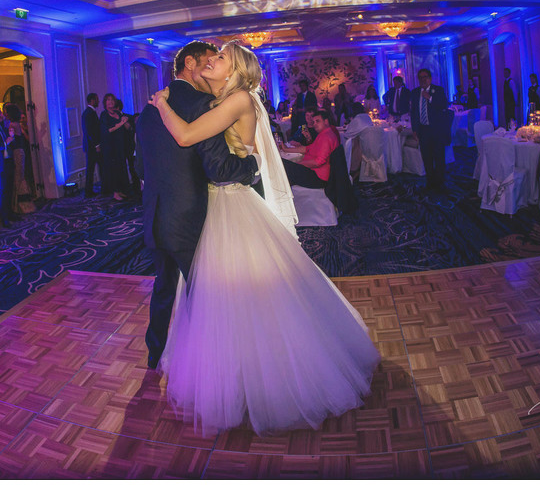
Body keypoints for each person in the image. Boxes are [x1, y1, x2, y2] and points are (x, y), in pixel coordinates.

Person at [151, 40, 379, 435]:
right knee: (230, 298)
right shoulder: (232, 99)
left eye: (220, 58)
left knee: (242, 296)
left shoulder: (238, 99)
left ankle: (261, 381)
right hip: (223, 204)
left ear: (235, 70)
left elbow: (187, 137)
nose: (212, 60)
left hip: (233, 205)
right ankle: (238, 376)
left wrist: (161, 103)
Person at [137, 40, 261, 372]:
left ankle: (155, 354)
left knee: (163, 288)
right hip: (191, 219)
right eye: (209, 60)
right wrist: (251, 167)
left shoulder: (149, 108)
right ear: (190, 64)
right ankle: (211, 368)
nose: (210, 67)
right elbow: (218, 168)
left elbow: (140, 169)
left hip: (154, 217)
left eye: (219, 61)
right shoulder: (203, 104)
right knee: (205, 295)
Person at [410, 68, 451, 190]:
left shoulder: (438, 90)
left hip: (437, 130)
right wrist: (415, 130)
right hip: (423, 130)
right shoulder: (415, 92)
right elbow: (414, 113)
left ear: (430, 78)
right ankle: (430, 182)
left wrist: (430, 98)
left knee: (439, 157)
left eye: (425, 77)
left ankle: (440, 183)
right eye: (420, 77)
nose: (423, 80)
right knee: (426, 157)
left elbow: (444, 105)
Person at [279, 108, 340, 189]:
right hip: (316, 173)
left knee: (281, 164)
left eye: (317, 121)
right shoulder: (323, 134)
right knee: (283, 167)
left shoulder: (326, 136)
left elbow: (318, 162)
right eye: (314, 122)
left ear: (326, 121)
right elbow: (307, 148)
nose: (314, 124)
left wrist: (299, 163)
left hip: (318, 177)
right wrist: (286, 149)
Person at [3, 103, 34, 214]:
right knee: (21, 176)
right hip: (21, 151)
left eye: (6, 112)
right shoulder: (17, 124)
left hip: (16, 152)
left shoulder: (12, 125)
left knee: (18, 177)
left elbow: (11, 140)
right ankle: (24, 204)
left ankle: (18, 206)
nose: (5, 114)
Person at [99, 93, 130, 201]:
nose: (110, 102)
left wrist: (125, 122)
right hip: (110, 147)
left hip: (120, 145)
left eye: (112, 100)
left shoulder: (118, 113)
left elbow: (128, 128)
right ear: (105, 103)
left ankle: (121, 190)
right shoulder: (104, 115)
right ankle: (115, 192)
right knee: (113, 169)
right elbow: (107, 131)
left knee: (121, 167)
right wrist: (121, 123)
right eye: (108, 100)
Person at [81, 93, 101, 197]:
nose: (98, 101)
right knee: (91, 169)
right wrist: (97, 145)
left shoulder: (88, 112)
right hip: (92, 146)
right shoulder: (89, 113)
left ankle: (89, 190)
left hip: (90, 145)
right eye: (97, 99)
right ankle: (88, 191)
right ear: (92, 101)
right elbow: (90, 131)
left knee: (91, 168)